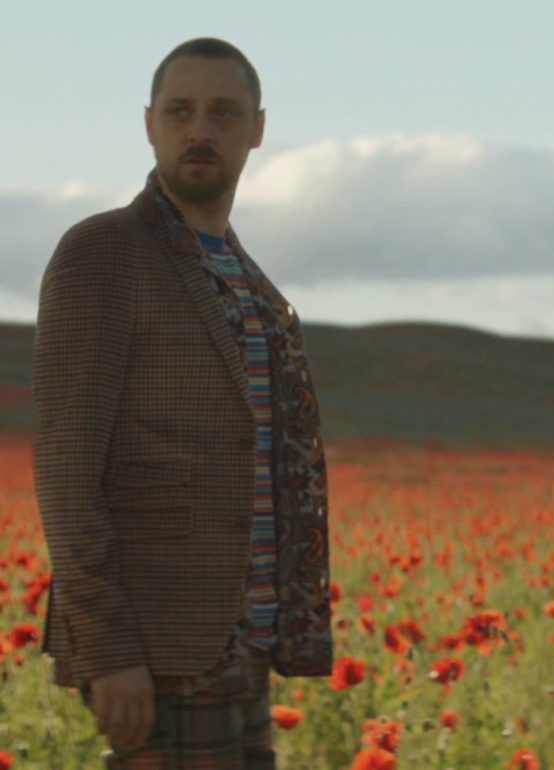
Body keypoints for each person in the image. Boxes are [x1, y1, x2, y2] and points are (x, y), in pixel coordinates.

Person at [32, 38, 331, 769]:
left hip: (249, 633)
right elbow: (67, 465)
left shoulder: (243, 274)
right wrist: (107, 648)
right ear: (149, 123)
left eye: (223, 112)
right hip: (159, 644)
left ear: (257, 129)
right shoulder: (104, 251)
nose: (201, 130)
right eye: (180, 111)